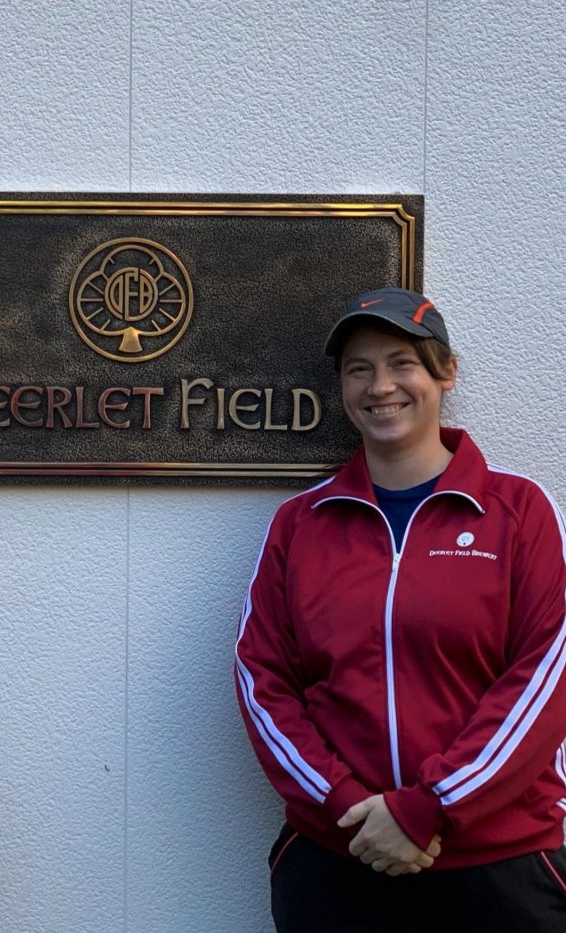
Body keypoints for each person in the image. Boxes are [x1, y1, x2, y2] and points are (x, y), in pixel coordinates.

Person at [234, 288, 566, 933]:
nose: (380, 385)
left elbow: (546, 678)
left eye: (401, 363)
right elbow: (262, 680)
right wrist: (348, 805)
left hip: (498, 868)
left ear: (445, 373)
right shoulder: (301, 524)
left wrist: (429, 806)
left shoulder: (517, 512)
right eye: (359, 369)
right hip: (340, 858)